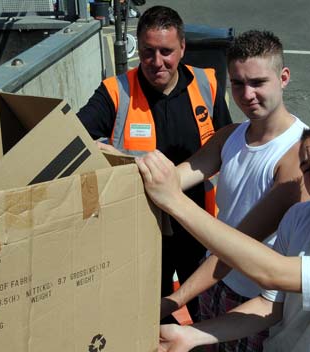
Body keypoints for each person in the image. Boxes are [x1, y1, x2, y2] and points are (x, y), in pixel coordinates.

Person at [136, 116, 310, 351]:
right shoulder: (302, 217)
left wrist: (174, 200)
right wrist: (190, 335)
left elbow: (273, 273)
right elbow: (270, 305)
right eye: (307, 169)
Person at [77, 5, 232, 323]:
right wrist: (118, 155)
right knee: (149, 310)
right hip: (143, 225)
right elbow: (77, 138)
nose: (157, 62)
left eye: (166, 51)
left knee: (205, 309)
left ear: (183, 48)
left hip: (198, 223)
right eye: (148, 51)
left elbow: (228, 147)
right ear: (138, 48)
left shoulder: (208, 86)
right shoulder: (116, 91)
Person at [160, 30, 309, 352]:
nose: (247, 94)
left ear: (283, 78)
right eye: (238, 84)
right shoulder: (230, 135)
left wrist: (174, 301)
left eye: (258, 82)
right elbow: (175, 178)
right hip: (217, 282)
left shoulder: (298, 155)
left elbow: (238, 245)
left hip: (259, 300)